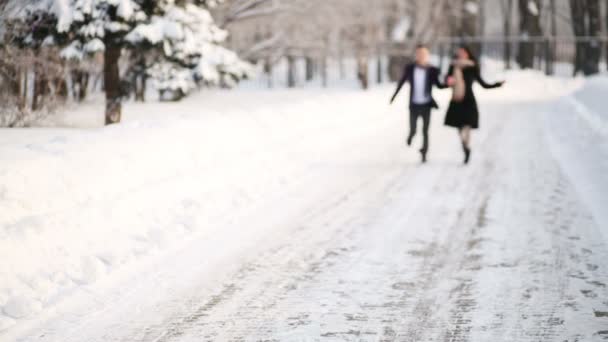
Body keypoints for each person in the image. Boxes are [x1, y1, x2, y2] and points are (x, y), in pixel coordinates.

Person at [444, 46, 504, 164]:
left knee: (467, 125)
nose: (461, 54)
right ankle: (465, 146)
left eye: (463, 52)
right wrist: (448, 81)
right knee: (459, 127)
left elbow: (483, 84)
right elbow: (447, 80)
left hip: (469, 100)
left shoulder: (472, 68)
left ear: (468, 54)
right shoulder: (453, 66)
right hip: (457, 100)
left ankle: (466, 146)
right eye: (459, 53)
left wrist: (497, 84)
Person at [390, 45, 447, 163]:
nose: (421, 56)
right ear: (416, 55)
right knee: (413, 129)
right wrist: (394, 96)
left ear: (427, 55)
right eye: (419, 53)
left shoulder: (432, 70)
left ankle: (424, 152)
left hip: (426, 104)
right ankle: (410, 136)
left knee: (425, 131)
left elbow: (439, 85)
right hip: (414, 105)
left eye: (424, 53)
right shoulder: (410, 68)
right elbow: (401, 82)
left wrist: (449, 83)